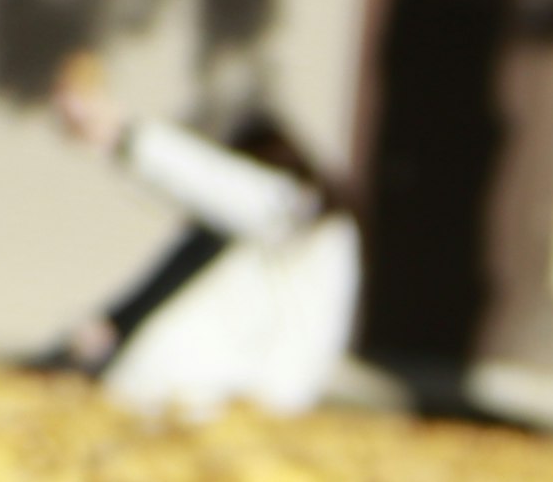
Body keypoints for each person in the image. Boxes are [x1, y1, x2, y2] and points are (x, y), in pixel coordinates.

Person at [45, 64, 364, 418]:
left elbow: (220, 186)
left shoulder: (295, 210)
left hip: (227, 405)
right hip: (231, 407)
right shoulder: (275, 238)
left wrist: (122, 134)